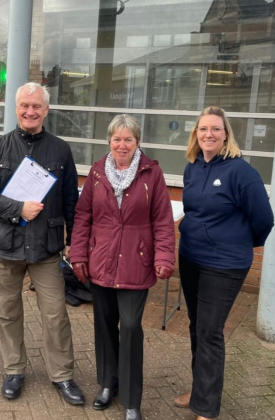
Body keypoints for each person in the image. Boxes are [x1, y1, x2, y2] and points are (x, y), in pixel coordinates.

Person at [0, 82, 85, 404]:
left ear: (46, 110)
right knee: (7, 312)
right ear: (16, 108)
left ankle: (62, 375)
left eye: (36, 106)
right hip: (5, 247)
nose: (30, 111)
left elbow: (70, 201)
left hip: (46, 248)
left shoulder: (61, 150)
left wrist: (75, 242)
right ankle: (14, 370)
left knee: (55, 315)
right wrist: (16, 208)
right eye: (24, 106)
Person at [70, 114, 175, 420]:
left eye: (128, 139)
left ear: (137, 142)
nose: (122, 144)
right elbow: (83, 216)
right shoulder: (97, 172)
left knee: (129, 327)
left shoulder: (151, 174)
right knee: (103, 326)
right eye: (117, 139)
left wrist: (164, 257)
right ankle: (107, 384)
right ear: (109, 141)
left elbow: (163, 221)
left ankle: (131, 400)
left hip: (136, 262)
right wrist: (78, 254)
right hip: (100, 260)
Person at [174, 106, 274, 420]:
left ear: (226, 134)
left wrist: (238, 243)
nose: (209, 134)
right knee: (196, 326)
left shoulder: (241, 172)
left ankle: (206, 409)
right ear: (196, 134)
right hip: (191, 258)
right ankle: (200, 389)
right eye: (203, 129)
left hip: (225, 264)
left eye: (216, 129)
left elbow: (264, 219)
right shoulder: (192, 167)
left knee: (209, 331)